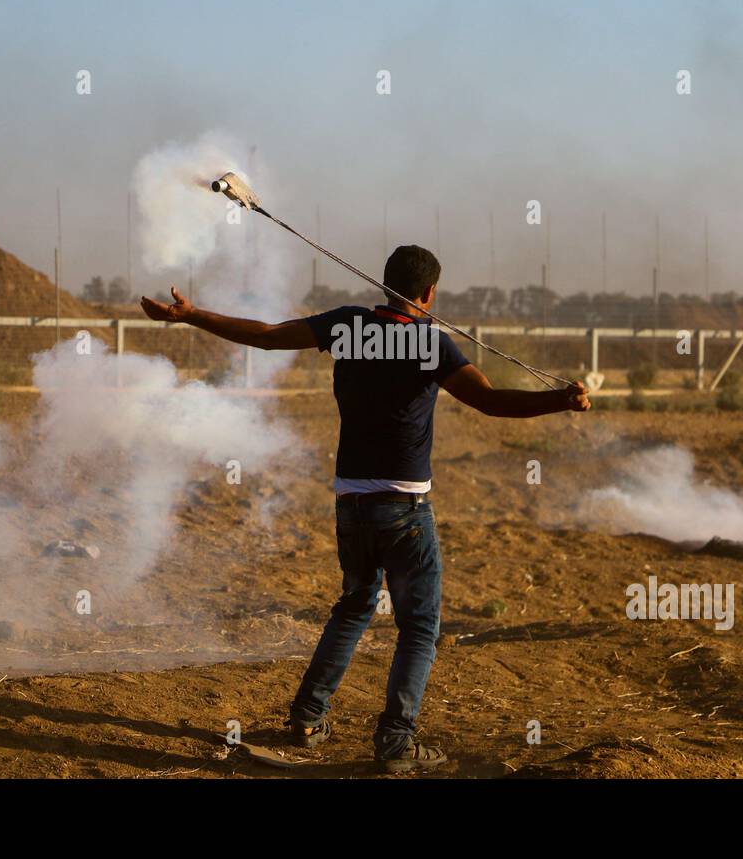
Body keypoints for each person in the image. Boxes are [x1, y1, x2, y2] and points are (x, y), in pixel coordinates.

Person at [141, 244, 590, 772]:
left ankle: (308, 719)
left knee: (355, 606)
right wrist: (559, 399)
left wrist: (194, 315)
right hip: (405, 510)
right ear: (429, 294)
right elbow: (491, 402)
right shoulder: (432, 345)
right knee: (419, 626)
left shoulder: (346, 326)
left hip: (350, 505)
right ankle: (396, 742)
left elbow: (264, 337)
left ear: (385, 284)